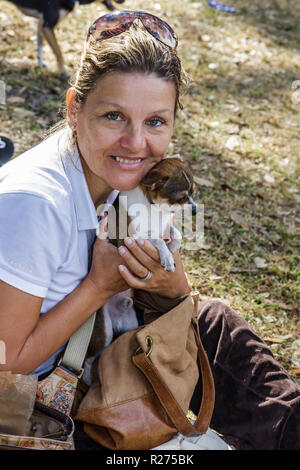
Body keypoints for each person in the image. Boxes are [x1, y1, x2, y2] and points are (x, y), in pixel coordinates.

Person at [0, 10, 299, 451]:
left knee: (217, 324)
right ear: (73, 109)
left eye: (155, 121)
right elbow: (7, 364)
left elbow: (172, 294)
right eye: (114, 117)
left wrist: (168, 282)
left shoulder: (127, 176)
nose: (137, 144)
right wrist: (98, 287)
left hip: (114, 348)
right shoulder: (35, 204)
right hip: (54, 402)